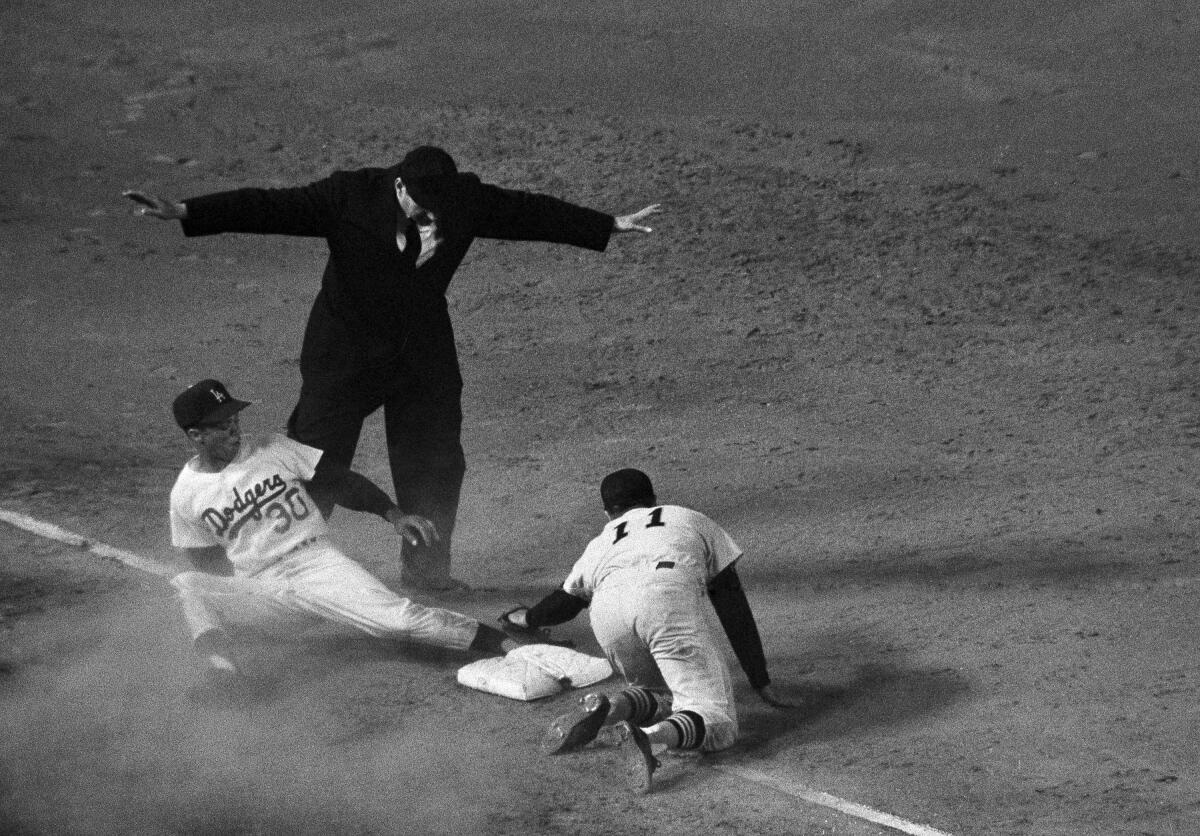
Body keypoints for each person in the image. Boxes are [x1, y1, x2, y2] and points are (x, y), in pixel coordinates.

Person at [126, 146, 661, 592]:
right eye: (423, 206)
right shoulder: (348, 196)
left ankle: (426, 574)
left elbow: (524, 212)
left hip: (420, 350)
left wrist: (607, 224)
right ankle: (279, 572)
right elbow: (270, 207)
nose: (433, 217)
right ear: (400, 187)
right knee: (313, 461)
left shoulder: (461, 198)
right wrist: (186, 211)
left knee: (435, 460)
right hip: (343, 354)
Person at [166, 378, 526, 699]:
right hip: (264, 589)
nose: (234, 430)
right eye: (222, 425)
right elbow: (206, 561)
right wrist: (243, 605)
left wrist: (394, 515)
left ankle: (507, 643)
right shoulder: (185, 495)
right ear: (196, 436)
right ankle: (225, 676)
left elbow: (338, 480)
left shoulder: (272, 449)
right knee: (188, 585)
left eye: (234, 419)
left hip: (317, 566)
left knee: (397, 623)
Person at [499, 468, 793, 793]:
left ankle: (610, 709)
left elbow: (565, 603)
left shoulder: (601, 541)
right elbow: (731, 602)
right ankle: (649, 738)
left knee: (662, 694)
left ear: (608, 512)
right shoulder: (688, 518)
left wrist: (526, 620)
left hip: (607, 614)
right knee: (716, 720)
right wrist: (759, 678)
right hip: (662, 601)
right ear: (654, 500)